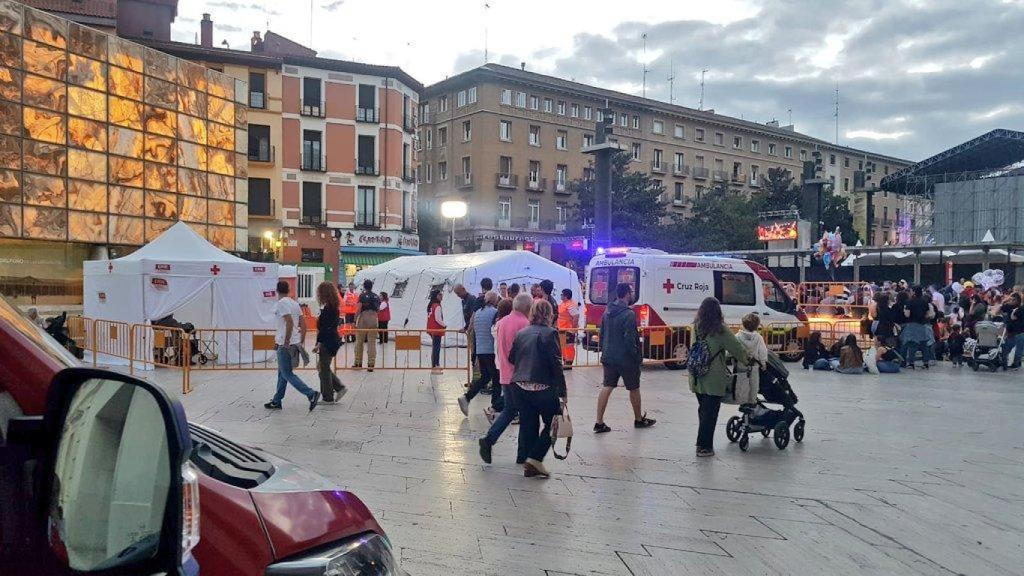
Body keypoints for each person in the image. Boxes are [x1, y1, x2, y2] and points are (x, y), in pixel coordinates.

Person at [508, 299, 567, 478]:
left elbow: (512, 358)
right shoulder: (551, 333)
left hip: (520, 385)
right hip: (543, 386)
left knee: (528, 424)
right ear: (550, 314)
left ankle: (530, 465)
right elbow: (556, 364)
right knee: (553, 424)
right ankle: (535, 458)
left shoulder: (522, 333)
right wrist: (563, 392)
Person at [689, 297, 748, 457]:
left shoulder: (695, 327)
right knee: (710, 413)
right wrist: (749, 360)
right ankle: (705, 447)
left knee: (703, 410)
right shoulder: (720, 329)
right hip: (713, 377)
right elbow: (737, 349)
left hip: (696, 376)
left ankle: (701, 443)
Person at [594, 282, 656, 433]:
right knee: (634, 388)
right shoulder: (628, 314)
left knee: (607, 386)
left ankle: (599, 422)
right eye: (631, 292)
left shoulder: (607, 312)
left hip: (608, 356)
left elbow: (601, 334)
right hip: (626, 359)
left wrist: (605, 349)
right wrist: (636, 356)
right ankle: (638, 419)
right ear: (627, 294)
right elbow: (630, 339)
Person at [479, 294, 532, 464]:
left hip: (504, 373)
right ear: (526, 308)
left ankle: (489, 439)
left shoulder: (502, 322)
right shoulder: (524, 324)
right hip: (519, 375)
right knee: (525, 414)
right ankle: (522, 454)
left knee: (510, 410)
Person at [265, 280, 320, 411]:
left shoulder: (281, 303)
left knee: (287, 374)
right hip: (292, 342)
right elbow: (304, 325)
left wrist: (286, 341)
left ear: (277, 290)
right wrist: (300, 341)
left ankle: (311, 394)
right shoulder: (294, 303)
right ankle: (277, 400)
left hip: (286, 344)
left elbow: (289, 322)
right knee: (282, 373)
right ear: (288, 290)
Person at [459, 291, 502, 418]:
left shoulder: (478, 313)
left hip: (480, 350)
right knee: (497, 379)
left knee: (485, 377)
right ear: (495, 301)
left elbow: (472, 328)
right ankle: (494, 407)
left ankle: (467, 397)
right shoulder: (495, 312)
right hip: (491, 351)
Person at [312, 281, 345, 403]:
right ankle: (339, 388)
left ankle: (328, 397)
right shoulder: (333, 308)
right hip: (332, 340)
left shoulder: (328, 309)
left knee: (323, 369)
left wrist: (319, 343)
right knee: (322, 367)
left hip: (328, 341)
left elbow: (324, 329)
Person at [733, 313, 767, 406]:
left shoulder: (737, 337)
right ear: (757, 326)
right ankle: (752, 402)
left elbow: (733, 350)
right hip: (754, 366)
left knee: (741, 384)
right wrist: (763, 363)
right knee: (754, 385)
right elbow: (762, 351)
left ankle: (742, 401)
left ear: (743, 324)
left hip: (741, 366)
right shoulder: (758, 337)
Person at [901, 286, 934, 369]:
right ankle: (926, 362)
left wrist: (905, 311)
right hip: (922, 325)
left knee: (912, 344)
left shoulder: (909, 302)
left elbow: (907, 315)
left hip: (912, 325)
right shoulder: (924, 302)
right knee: (924, 344)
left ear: (914, 292)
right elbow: (927, 314)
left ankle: (911, 363)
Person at [352, 279, 379, 371]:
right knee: (372, 343)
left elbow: (358, 309)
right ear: (372, 286)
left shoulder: (362, 296)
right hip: (374, 319)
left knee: (359, 342)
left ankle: (358, 363)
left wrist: (354, 320)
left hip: (364, 318)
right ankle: (371, 364)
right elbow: (377, 309)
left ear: (364, 286)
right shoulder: (376, 296)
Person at [557, 288, 580, 369]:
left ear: (565, 296)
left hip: (568, 330)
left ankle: (568, 363)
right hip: (562, 329)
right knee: (563, 346)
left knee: (568, 347)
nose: (561, 296)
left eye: (562, 294)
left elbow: (576, 316)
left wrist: (573, 329)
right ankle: (565, 361)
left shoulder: (570, 305)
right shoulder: (564, 303)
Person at [1001, 292, 1024, 370]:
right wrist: (1005, 300)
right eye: (1010, 299)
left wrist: (1013, 314)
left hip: (1019, 332)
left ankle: (1016, 364)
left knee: (1018, 349)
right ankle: (1008, 362)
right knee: (1007, 347)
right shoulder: (1009, 306)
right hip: (1011, 331)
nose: (1011, 301)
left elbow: (1014, 318)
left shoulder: (1021, 309)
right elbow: (1000, 309)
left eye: (1012, 300)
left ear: (1017, 300)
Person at [426, 289, 446, 374]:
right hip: (436, 329)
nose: (441, 296)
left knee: (435, 347)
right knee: (436, 348)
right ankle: (435, 365)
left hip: (431, 328)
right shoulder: (437, 306)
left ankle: (435, 364)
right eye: (440, 294)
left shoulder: (431, 305)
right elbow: (438, 319)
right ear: (436, 296)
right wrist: (444, 325)